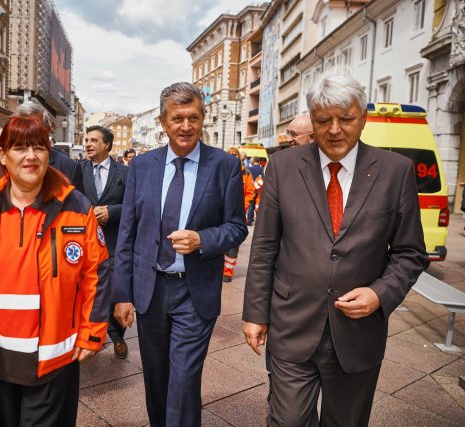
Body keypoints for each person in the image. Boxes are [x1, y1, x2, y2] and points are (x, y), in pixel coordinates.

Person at [243, 74, 427, 427]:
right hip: (291, 324)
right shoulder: (283, 166)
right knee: (287, 421)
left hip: (358, 335)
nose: (334, 130)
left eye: (346, 118)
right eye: (323, 120)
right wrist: (255, 313)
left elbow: (410, 253)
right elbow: (264, 246)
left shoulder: (395, 171)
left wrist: (379, 294)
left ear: (364, 117)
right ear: (312, 121)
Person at [0, 115, 111, 426]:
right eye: (20, 148)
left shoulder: (76, 206)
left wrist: (92, 334)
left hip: (56, 355)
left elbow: (97, 273)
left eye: (39, 148)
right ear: (2, 155)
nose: (31, 156)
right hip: (0, 353)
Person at [113, 82, 248, 426]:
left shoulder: (224, 165)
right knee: (156, 380)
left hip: (194, 290)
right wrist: (122, 294)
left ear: (202, 118)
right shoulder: (142, 166)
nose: (186, 126)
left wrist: (202, 239)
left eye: (193, 118)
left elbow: (237, 227)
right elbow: (127, 233)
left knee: (184, 382)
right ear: (163, 122)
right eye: (177, 119)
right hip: (150, 290)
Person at [81, 125, 130, 358]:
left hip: (113, 242)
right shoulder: (78, 169)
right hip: (84, 243)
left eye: (93, 140)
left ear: (107, 144)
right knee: (90, 292)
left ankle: (117, 337)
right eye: (86, 140)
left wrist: (112, 211)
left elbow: (133, 204)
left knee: (113, 291)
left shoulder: (125, 172)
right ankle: (94, 335)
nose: (88, 144)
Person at [0, 102, 84, 194]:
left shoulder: (69, 168)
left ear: (47, 131)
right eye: (20, 127)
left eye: (34, 127)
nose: (27, 131)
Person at [223, 147, 255, 283]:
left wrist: (242, 207)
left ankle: (228, 271)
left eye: (234, 154)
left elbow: (250, 193)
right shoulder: (221, 171)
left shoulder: (246, 173)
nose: (232, 156)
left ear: (239, 157)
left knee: (233, 244)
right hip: (221, 213)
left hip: (237, 214)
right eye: (230, 154)